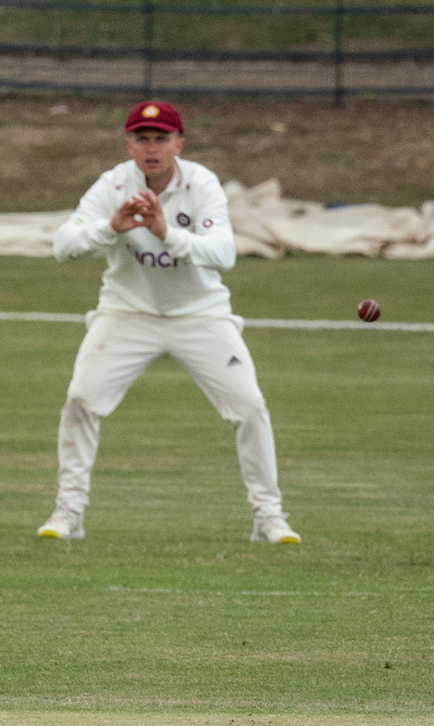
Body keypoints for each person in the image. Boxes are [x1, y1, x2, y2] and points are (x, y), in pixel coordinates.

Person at [38, 100, 300, 544]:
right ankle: (69, 511)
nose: (152, 148)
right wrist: (111, 228)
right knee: (81, 399)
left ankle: (269, 517)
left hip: (200, 314)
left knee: (250, 406)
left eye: (161, 139)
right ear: (129, 144)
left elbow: (223, 254)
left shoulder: (202, 184)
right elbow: (63, 244)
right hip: (127, 312)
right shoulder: (113, 184)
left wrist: (166, 233)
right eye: (142, 139)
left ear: (179, 144)